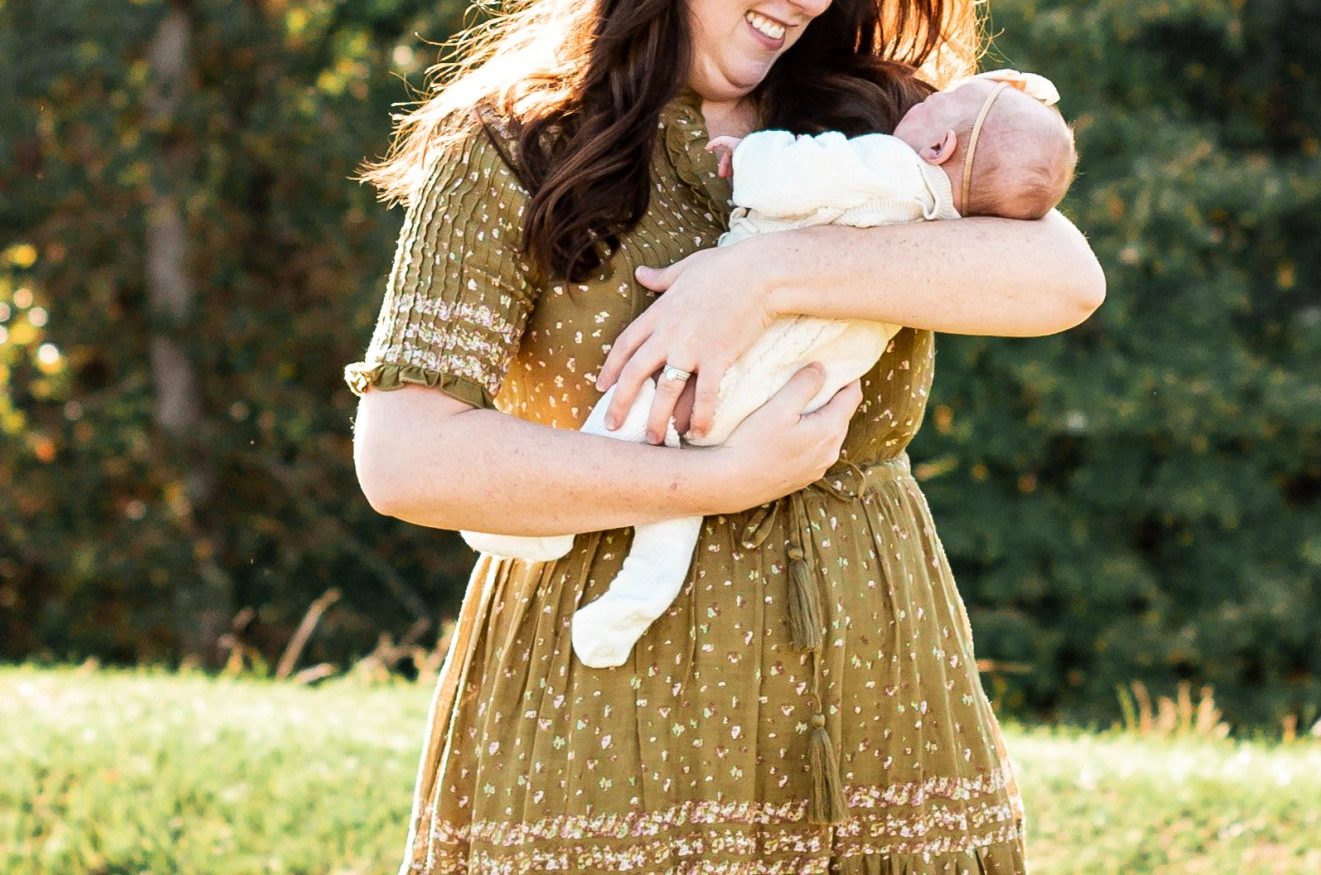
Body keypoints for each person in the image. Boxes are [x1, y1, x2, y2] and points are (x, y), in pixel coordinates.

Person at [349, 0, 1106, 875]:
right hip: (606, 704)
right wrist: (712, 481)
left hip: (868, 681)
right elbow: (405, 455)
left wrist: (764, 274)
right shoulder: (516, 147)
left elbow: (1063, 278)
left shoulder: (881, 128)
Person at [460, 73, 1078, 672]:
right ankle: (639, 594)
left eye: (941, 104)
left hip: (765, 349)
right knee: (690, 466)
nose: (922, 101)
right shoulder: (953, 219)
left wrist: (751, 156)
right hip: (812, 374)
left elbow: (801, 175)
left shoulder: (889, 166)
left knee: (646, 407)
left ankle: (544, 528)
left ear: (940, 145)